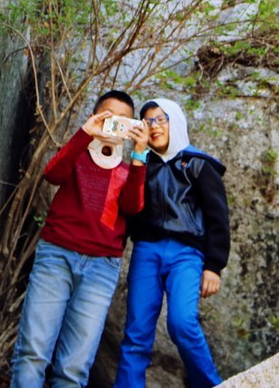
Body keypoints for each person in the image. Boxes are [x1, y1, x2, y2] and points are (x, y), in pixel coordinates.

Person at [11, 89, 151, 388]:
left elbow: (132, 207)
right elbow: (52, 173)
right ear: (95, 116)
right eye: (109, 116)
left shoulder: (128, 170)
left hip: (102, 268)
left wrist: (139, 155)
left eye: (125, 121)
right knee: (32, 353)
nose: (116, 125)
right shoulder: (76, 154)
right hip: (56, 255)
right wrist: (85, 134)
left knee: (74, 369)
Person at [113, 97, 230, 388]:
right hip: (147, 252)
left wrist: (214, 266)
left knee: (181, 322)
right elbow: (130, 208)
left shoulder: (199, 164)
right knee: (137, 331)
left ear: (174, 120)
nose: (154, 127)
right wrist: (137, 159)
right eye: (147, 121)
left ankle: (211, 384)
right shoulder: (143, 164)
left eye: (160, 119)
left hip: (186, 254)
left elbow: (218, 218)